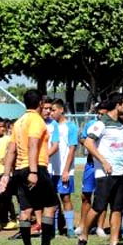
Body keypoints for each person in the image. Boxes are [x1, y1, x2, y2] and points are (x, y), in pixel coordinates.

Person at [0, 90, 63, 245]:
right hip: (35, 168)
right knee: (51, 205)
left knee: (26, 209)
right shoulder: (37, 120)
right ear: (40, 104)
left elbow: (11, 150)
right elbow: (33, 145)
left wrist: (6, 175)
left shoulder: (19, 122)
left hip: (19, 169)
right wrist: (34, 171)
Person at [74, 93, 123, 245]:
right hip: (105, 173)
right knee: (98, 207)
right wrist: (104, 161)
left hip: (121, 172)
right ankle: (83, 238)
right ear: (118, 105)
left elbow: (122, 145)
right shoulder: (101, 123)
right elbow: (88, 143)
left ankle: (113, 244)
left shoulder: (121, 124)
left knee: (117, 208)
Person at [77, 103, 107, 238]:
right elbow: (82, 138)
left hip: (104, 164)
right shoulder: (92, 124)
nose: (100, 116)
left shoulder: (111, 125)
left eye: (103, 113)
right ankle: (82, 225)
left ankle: (100, 227)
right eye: (99, 113)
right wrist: (89, 143)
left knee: (103, 195)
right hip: (91, 163)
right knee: (86, 195)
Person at [50, 99, 78, 237]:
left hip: (64, 170)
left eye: (54, 110)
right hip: (50, 169)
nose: (51, 113)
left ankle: (70, 228)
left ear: (61, 110)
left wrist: (66, 170)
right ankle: (54, 228)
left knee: (65, 198)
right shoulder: (50, 126)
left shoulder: (70, 127)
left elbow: (72, 149)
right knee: (52, 199)